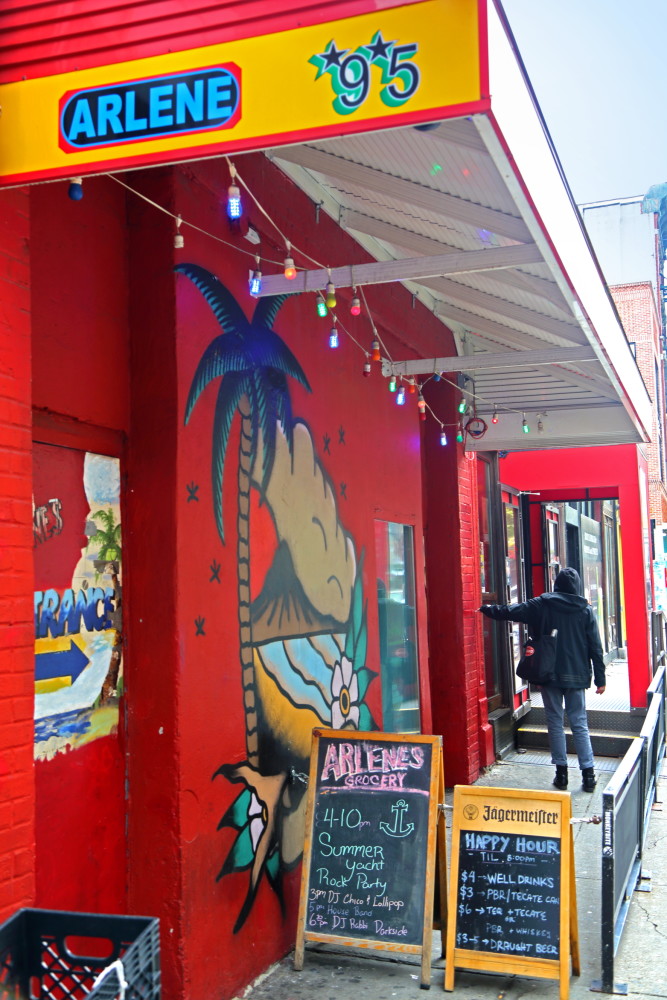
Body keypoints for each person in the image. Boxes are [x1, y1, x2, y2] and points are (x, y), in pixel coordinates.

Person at [479, 567, 606, 792]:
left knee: (555, 722)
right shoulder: (585, 610)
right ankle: (588, 775)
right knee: (579, 722)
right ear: (577, 587)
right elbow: (595, 647)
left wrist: (487, 609)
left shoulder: (543, 604)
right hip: (576, 675)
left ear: (557, 584)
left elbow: (512, 611)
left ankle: (561, 774)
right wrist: (600, 679)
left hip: (549, 674)